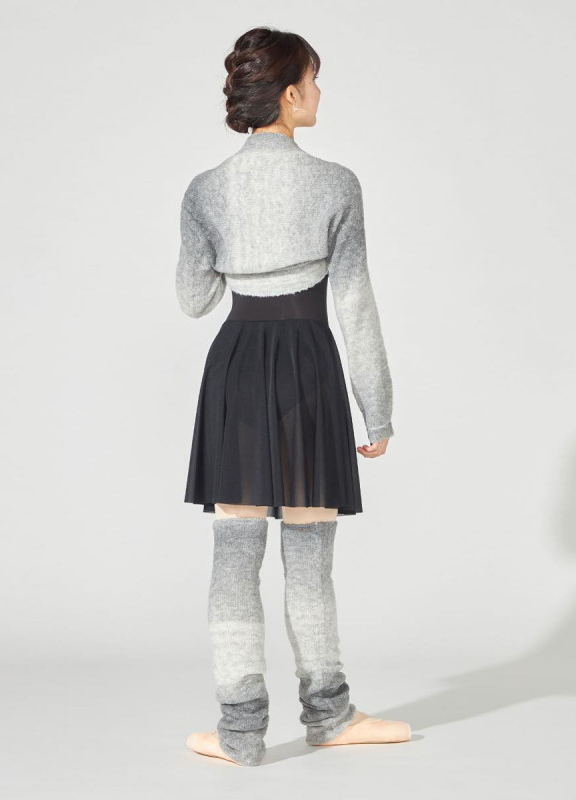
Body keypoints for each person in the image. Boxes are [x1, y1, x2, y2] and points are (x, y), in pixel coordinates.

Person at [176, 27, 410, 767]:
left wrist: (235, 253)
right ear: (287, 93)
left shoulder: (205, 190)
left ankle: (240, 733)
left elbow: (193, 299)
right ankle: (330, 715)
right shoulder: (337, 184)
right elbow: (355, 304)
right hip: (309, 367)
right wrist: (377, 408)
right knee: (310, 559)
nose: (318, 91)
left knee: (234, 555)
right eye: (312, 78)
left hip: (238, 368)